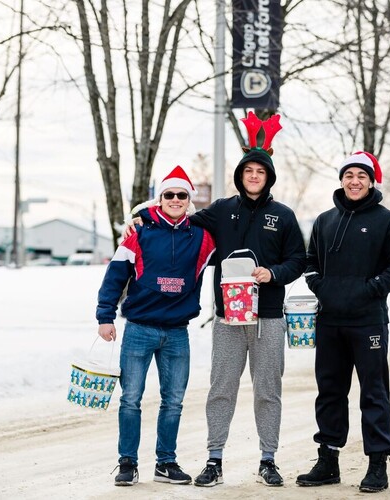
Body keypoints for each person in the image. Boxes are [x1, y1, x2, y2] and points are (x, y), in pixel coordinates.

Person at [124, 111, 306, 487]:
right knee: (221, 388)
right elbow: (178, 215)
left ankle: (268, 460)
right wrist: (140, 217)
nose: (253, 176)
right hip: (227, 318)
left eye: (260, 172)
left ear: (268, 177)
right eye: (248, 171)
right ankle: (215, 459)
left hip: (268, 318)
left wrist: (273, 273)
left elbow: (298, 261)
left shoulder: (283, 216)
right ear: (240, 175)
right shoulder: (223, 210)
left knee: (268, 391)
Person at [295, 151, 390, 493]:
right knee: (330, 391)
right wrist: (320, 285)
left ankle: (377, 464)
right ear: (341, 179)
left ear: (372, 181)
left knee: (373, 392)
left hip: (368, 322)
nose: (354, 181)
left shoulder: (387, 221)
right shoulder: (324, 220)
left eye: (361, 175)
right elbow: (311, 262)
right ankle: (328, 461)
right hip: (330, 321)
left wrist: (370, 288)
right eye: (349, 175)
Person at [96, 166, 215, 487]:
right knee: (130, 399)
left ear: (189, 201)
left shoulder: (203, 238)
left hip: (178, 332)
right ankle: (127, 462)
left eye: (181, 195)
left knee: (173, 401)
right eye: (169, 195)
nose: (175, 199)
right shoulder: (138, 234)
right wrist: (105, 316)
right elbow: (115, 276)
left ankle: (166, 462)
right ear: (159, 199)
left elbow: (237, 240)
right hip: (139, 328)